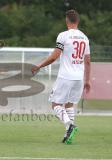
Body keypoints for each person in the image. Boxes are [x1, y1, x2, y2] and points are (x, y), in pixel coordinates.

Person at [32, 9, 91, 144]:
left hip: (66, 76)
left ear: (66, 21)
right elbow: (88, 61)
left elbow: (54, 57)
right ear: (78, 21)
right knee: (69, 105)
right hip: (79, 78)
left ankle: (69, 126)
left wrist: (39, 66)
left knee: (56, 104)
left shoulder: (63, 36)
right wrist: (87, 80)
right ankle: (68, 135)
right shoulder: (85, 38)